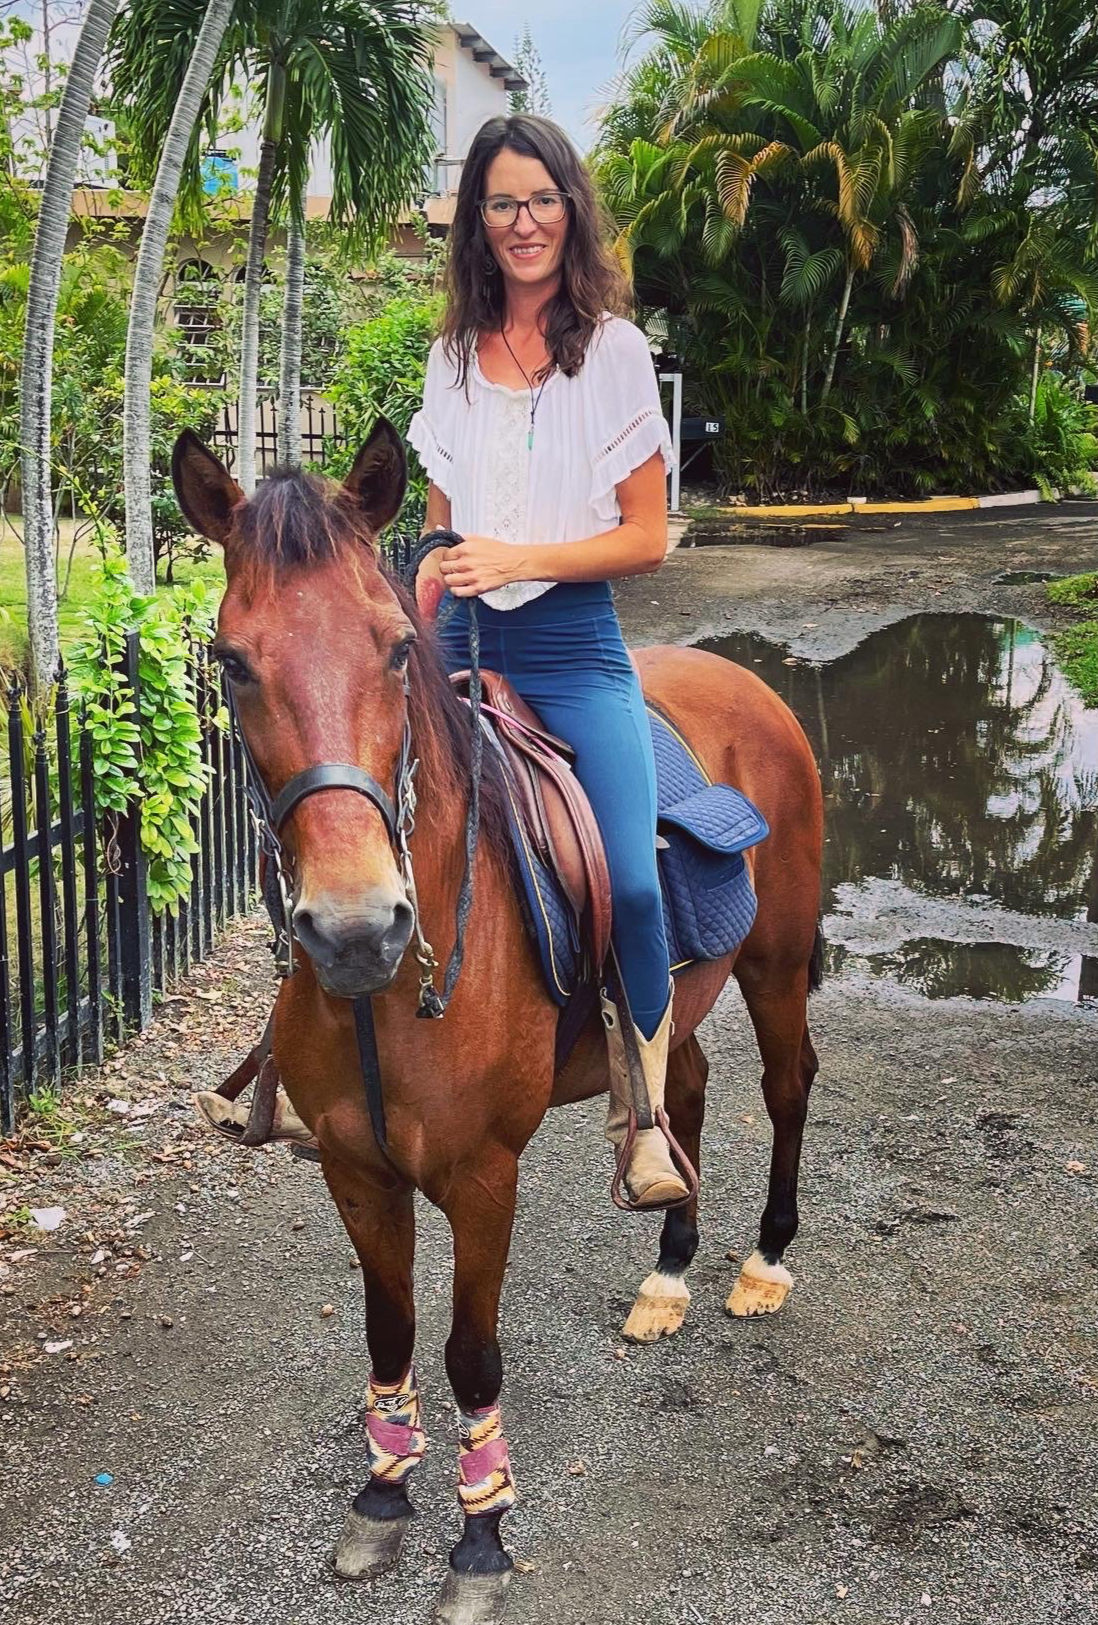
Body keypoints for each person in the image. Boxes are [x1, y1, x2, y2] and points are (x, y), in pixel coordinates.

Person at [407, 113, 686, 1209]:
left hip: (572, 650)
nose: (522, 223)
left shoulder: (613, 352)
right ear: (475, 221)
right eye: (500, 203)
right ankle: (295, 1067)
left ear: (571, 210)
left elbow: (647, 537)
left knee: (626, 878)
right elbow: (437, 536)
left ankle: (647, 1121)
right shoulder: (448, 360)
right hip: (460, 642)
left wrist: (515, 553)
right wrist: (413, 607)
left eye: (540, 200)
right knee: (356, 832)